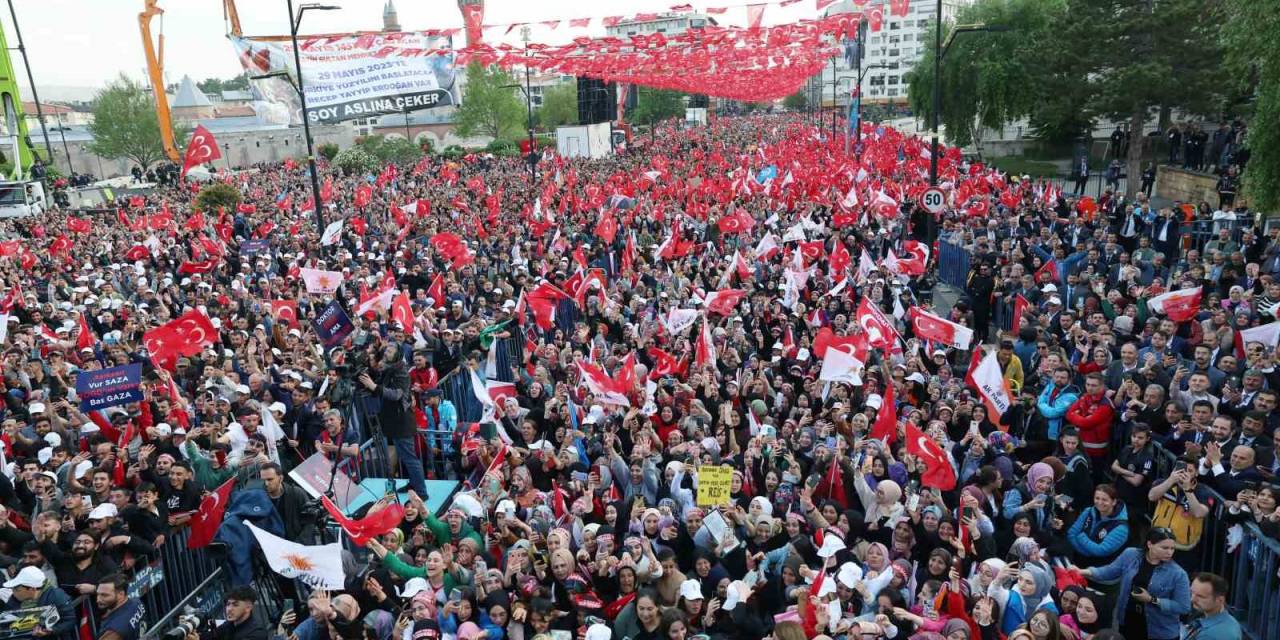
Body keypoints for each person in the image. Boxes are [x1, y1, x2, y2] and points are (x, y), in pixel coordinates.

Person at [1078, 528, 1191, 640]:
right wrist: (1082, 571)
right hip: (1128, 621)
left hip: (1158, 630)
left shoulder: (1178, 574)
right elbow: (1109, 571)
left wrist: (1151, 599)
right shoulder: (1131, 555)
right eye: (1164, 548)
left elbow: (1183, 607)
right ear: (1150, 544)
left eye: (1172, 548)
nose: (1169, 552)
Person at [359, 339, 428, 497]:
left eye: (390, 351)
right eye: (386, 350)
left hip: (402, 421)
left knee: (409, 457)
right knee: (404, 456)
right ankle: (413, 484)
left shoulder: (401, 371)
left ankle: (422, 492)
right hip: (393, 421)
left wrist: (374, 387)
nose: (386, 353)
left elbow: (397, 394)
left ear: (397, 354)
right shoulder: (388, 368)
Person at [0, 565, 77, 639]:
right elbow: (7, 616)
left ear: (32, 589)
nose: (13, 591)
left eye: (17, 589)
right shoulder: (15, 597)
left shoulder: (57, 596)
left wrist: (51, 630)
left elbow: (70, 620)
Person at [190, 587, 268, 640]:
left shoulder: (257, 633)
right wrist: (192, 632)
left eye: (235, 605)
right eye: (228, 604)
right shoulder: (230, 624)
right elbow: (212, 636)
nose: (229, 609)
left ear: (248, 608)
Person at [1185, 572, 1242, 640]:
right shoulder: (1230, 620)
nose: (1192, 599)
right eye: (1192, 592)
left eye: (1200, 596)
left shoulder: (1210, 635)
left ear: (1220, 600)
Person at [96, 573, 146, 640]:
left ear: (121, 594)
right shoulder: (136, 602)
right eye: (97, 594)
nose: (98, 600)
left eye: (104, 595)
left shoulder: (113, 631)